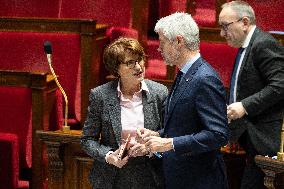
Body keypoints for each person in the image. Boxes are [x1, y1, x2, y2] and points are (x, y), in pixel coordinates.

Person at [137, 12, 229, 189]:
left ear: (179, 41)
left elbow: (218, 134)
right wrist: (158, 135)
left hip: (200, 181)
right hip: (180, 177)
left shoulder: (204, 78)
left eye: (162, 42)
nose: (158, 48)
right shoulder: (185, 74)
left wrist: (169, 143)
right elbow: (187, 124)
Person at [81, 37, 168, 189]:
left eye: (140, 59)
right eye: (130, 63)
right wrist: (109, 156)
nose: (139, 67)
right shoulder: (100, 95)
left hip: (150, 176)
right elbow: (87, 139)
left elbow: (169, 133)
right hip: (111, 178)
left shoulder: (159, 93)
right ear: (116, 69)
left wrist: (151, 147)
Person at [218, 1, 284, 188]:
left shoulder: (263, 44)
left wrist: (244, 106)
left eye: (225, 26)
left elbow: (280, 85)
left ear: (244, 22)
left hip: (266, 141)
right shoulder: (246, 47)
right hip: (251, 141)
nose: (222, 33)